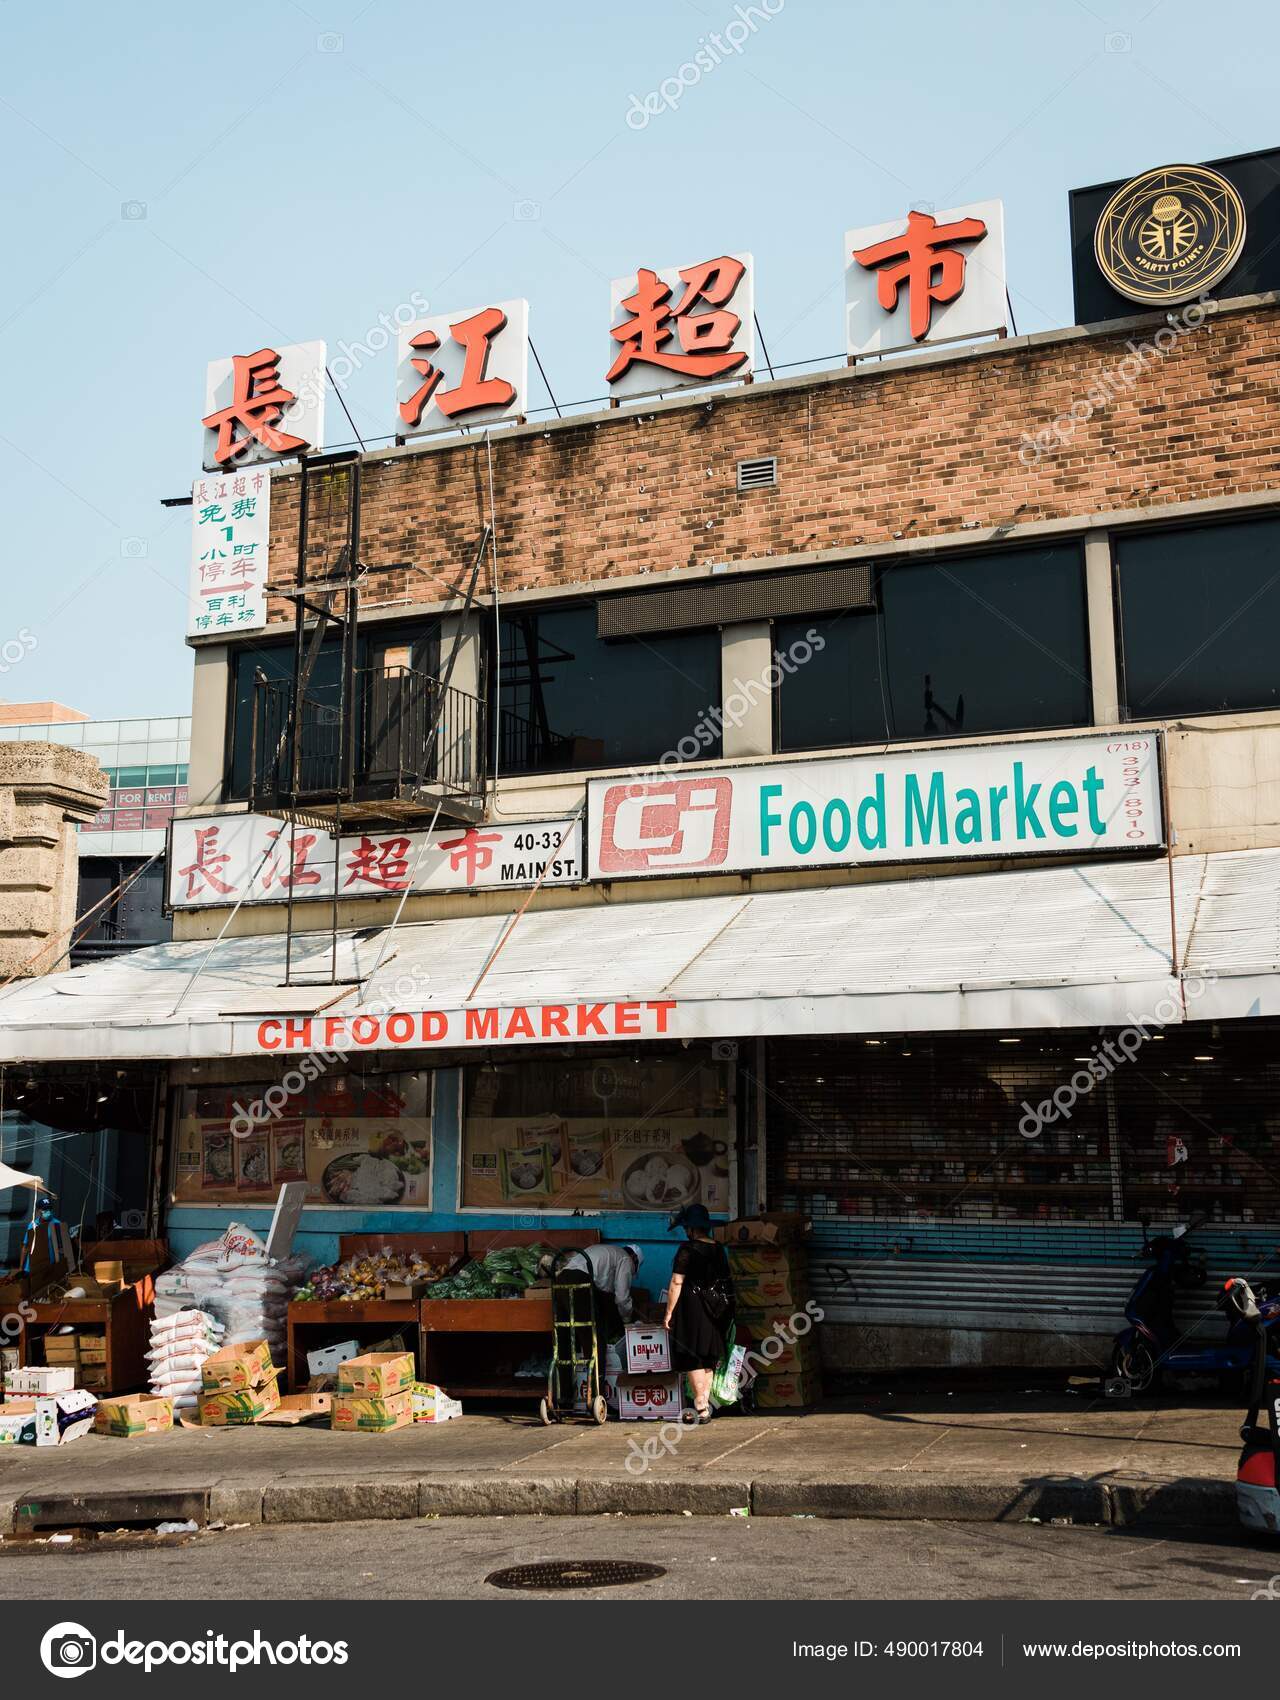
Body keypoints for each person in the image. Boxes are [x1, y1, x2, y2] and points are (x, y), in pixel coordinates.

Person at [663, 1203, 734, 1422]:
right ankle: (704, 1403)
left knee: (693, 1356)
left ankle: (701, 1406)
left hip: (692, 1307)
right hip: (717, 1309)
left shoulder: (687, 1249)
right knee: (709, 1356)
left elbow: (677, 1281)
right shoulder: (719, 1249)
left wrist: (668, 1312)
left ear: (691, 1228)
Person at [547, 1242, 642, 1403]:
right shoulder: (625, 1259)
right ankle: (595, 1392)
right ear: (634, 1258)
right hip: (580, 1283)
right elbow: (622, 1297)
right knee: (593, 1339)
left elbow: (605, 1291)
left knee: (563, 1338)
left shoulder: (607, 1251)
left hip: (561, 1281)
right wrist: (627, 1321)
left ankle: (564, 1395)